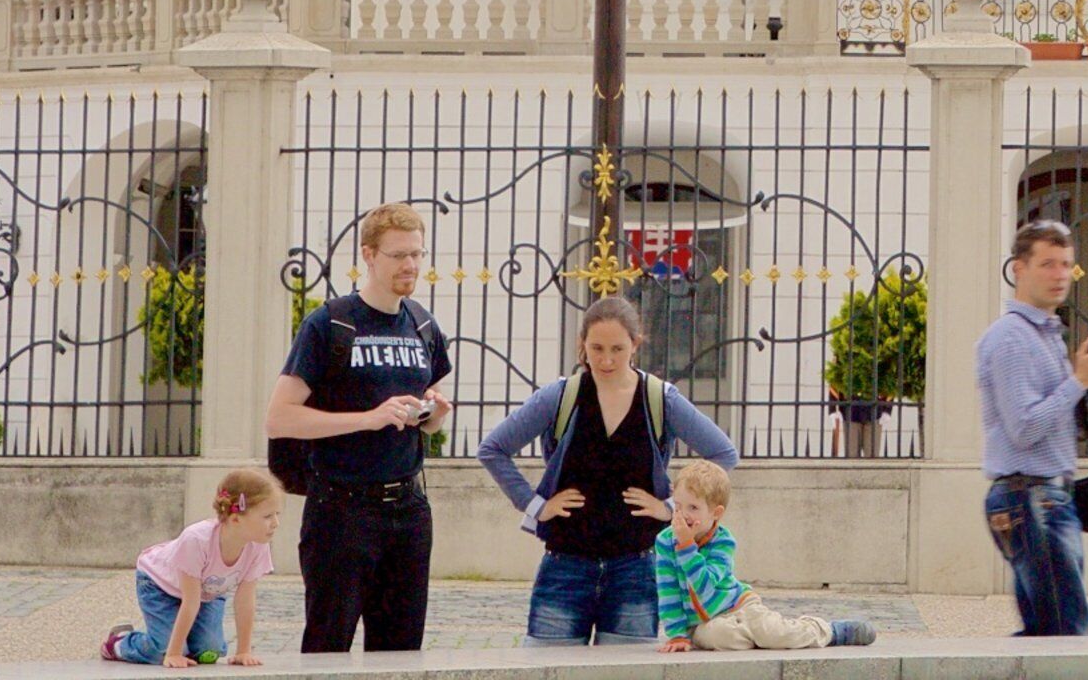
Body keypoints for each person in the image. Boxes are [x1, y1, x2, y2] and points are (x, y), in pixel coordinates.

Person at [478, 295, 741, 647]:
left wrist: (670, 507)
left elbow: (723, 453)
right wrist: (536, 505)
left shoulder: (660, 398)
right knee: (550, 670)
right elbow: (493, 449)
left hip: (636, 568)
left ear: (635, 344)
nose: (605, 359)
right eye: (596, 348)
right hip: (565, 566)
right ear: (582, 345)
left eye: (617, 348)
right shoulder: (560, 396)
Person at [265, 201, 452, 655]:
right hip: (342, 509)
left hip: (408, 508)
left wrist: (435, 414)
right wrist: (368, 419)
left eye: (417, 254)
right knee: (329, 647)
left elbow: (428, 426)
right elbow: (280, 417)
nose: (410, 265)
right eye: (398, 255)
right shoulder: (331, 324)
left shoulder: (423, 325)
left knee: (401, 652)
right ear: (369, 256)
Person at [974, 219, 1088, 637]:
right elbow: (1024, 428)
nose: (1060, 275)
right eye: (1047, 264)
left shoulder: (1047, 335)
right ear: (1018, 269)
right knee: (1068, 634)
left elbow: (1061, 424)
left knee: (1047, 634)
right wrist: (1078, 381)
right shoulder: (1010, 339)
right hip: (1029, 498)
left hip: (1048, 495)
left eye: (1066, 264)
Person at [647, 461, 872, 652]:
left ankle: (827, 630)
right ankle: (759, 638)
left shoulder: (723, 542)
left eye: (693, 508)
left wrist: (687, 547)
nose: (683, 514)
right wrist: (677, 634)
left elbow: (704, 585)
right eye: (678, 506)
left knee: (773, 632)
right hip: (703, 623)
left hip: (738, 606)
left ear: (715, 514)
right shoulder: (666, 541)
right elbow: (668, 593)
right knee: (717, 637)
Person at [100, 469, 278, 666]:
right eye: (268, 516)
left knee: (211, 651)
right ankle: (119, 642)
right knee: (162, 651)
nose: (275, 523)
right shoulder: (197, 540)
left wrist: (243, 651)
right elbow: (190, 600)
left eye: (276, 515)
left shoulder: (258, 545)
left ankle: (183, 639)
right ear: (236, 519)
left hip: (207, 592)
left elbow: (245, 599)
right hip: (159, 585)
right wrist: (174, 653)